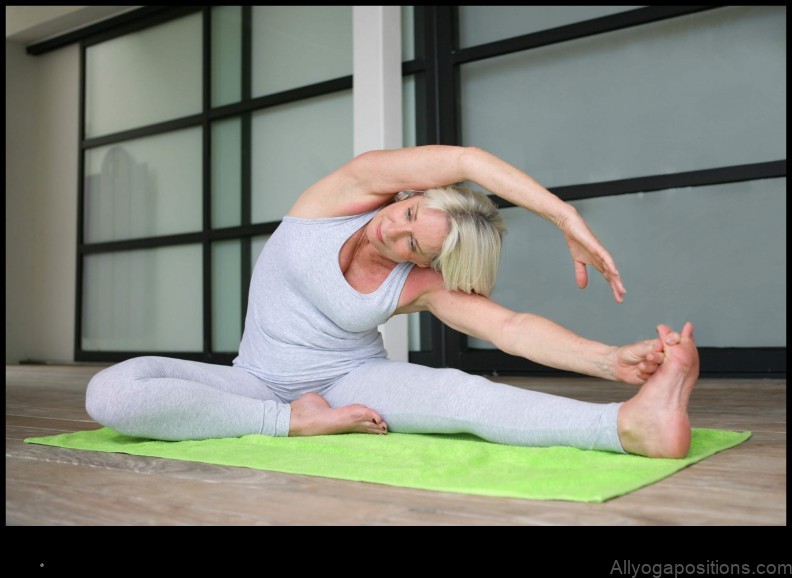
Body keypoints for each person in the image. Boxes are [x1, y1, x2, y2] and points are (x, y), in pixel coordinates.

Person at [86, 145, 699, 458]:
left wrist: (610, 362)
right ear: (409, 194)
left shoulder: (419, 283)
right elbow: (465, 161)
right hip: (257, 383)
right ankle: (291, 425)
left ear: (428, 263)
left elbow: (509, 326)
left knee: (466, 395)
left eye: (413, 245)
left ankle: (628, 426)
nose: (392, 233)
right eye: (407, 214)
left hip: (355, 380)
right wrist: (563, 214)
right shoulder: (340, 197)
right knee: (111, 393)